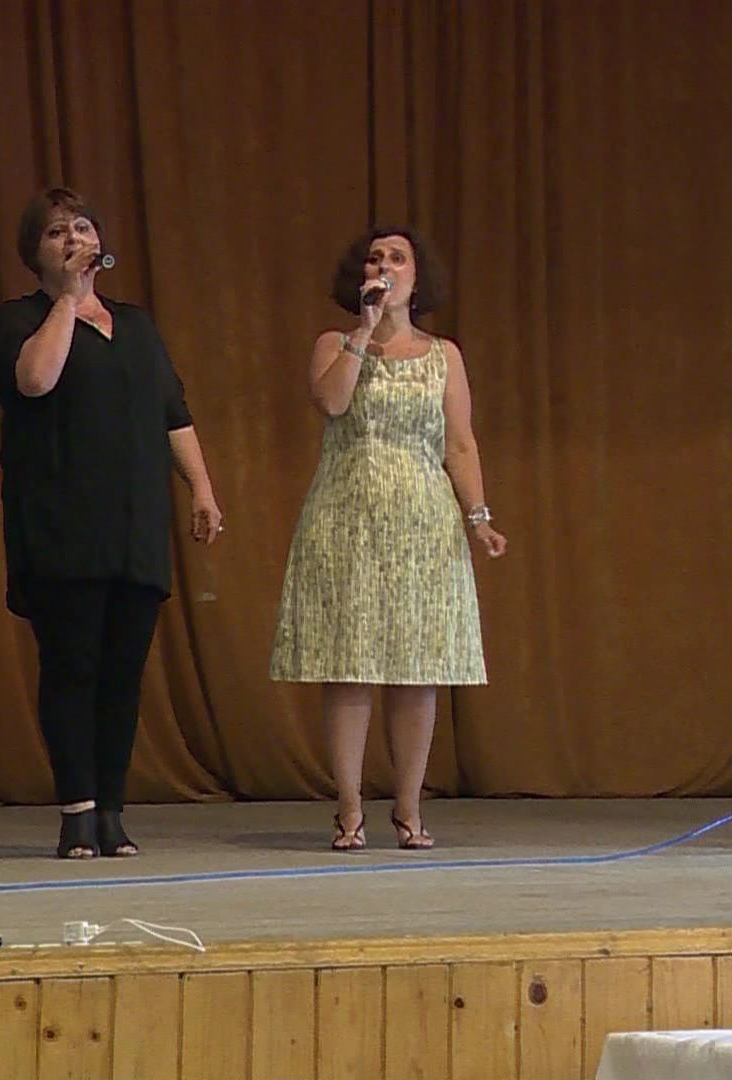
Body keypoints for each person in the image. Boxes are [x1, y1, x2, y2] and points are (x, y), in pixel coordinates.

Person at [0, 187, 223, 860]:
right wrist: (67, 300)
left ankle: (112, 810)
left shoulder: (137, 325)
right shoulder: (16, 320)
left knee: (122, 674)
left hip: (135, 522)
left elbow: (173, 412)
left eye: (82, 228)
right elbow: (34, 381)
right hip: (61, 523)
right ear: (35, 252)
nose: (74, 240)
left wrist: (202, 488)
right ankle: (78, 811)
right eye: (57, 232)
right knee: (73, 666)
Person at [270, 227, 507, 852]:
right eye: (375, 258)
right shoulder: (334, 343)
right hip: (346, 516)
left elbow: (460, 444)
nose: (385, 266)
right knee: (349, 664)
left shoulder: (444, 355)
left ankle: (409, 809)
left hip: (423, 521)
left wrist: (479, 518)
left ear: (417, 277)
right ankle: (349, 810)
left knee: (416, 666)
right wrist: (364, 331)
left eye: (398, 258)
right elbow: (332, 403)